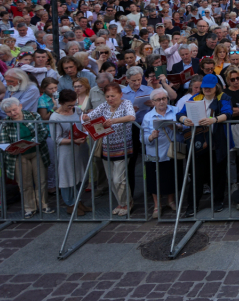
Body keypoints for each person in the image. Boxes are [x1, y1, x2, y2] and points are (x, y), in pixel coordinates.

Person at [177, 73, 233, 214]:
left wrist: (213, 120)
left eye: (209, 87)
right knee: (197, 175)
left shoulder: (223, 97)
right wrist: (184, 120)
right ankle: (192, 205)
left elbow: (228, 113)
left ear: (216, 87)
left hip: (218, 141)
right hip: (199, 142)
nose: (207, 90)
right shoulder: (195, 98)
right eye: (204, 87)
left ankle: (218, 201)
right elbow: (180, 114)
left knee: (219, 174)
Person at [83, 83, 136, 215]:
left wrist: (114, 121)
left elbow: (131, 117)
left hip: (123, 146)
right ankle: (121, 203)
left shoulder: (126, 103)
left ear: (120, 95)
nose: (110, 98)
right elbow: (91, 115)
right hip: (107, 147)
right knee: (111, 179)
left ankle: (127, 203)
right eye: (107, 96)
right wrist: (85, 117)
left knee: (119, 178)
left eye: (113, 96)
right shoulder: (104, 105)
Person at [0, 97, 53, 218]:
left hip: (37, 151)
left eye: (14, 110)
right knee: (24, 183)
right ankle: (29, 208)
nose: (12, 113)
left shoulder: (33, 116)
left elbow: (43, 132)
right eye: (9, 112)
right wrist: (10, 148)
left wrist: (32, 141)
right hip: (19, 155)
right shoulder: (5, 122)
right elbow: (3, 140)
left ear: (20, 106)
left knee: (41, 180)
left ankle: (44, 205)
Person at [49, 89, 90, 216]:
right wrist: (73, 140)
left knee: (82, 176)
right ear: (61, 103)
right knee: (67, 177)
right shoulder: (55, 117)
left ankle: (79, 200)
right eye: (69, 105)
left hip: (80, 147)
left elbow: (82, 125)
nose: (72, 107)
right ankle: (70, 204)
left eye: (74, 104)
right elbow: (56, 138)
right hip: (66, 151)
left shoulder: (77, 110)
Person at [140, 88, 178, 219]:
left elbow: (184, 126)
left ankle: (171, 200)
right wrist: (150, 137)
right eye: (158, 100)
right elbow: (142, 137)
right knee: (154, 179)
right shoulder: (148, 116)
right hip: (154, 152)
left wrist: (176, 127)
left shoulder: (175, 110)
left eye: (164, 99)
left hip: (172, 150)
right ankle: (157, 205)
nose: (162, 102)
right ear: (153, 102)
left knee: (171, 176)